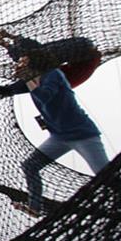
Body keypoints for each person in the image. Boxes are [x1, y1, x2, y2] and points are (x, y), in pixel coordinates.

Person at [13, 50, 109, 218]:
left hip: (83, 135)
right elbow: (6, 90)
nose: (20, 64)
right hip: (59, 137)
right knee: (30, 165)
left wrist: (28, 79)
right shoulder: (33, 80)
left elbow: (45, 96)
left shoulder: (53, 75)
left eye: (24, 61)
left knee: (106, 175)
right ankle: (35, 207)